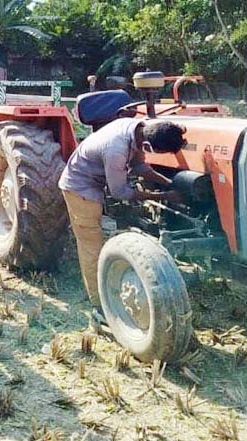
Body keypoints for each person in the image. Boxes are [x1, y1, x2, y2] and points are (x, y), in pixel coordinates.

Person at [58, 118, 186, 321]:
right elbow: (120, 192)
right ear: (147, 145)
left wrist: (171, 184)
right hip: (80, 187)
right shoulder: (116, 151)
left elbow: (140, 167)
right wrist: (164, 196)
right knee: (92, 244)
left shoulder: (137, 128)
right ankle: (100, 304)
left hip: (96, 180)